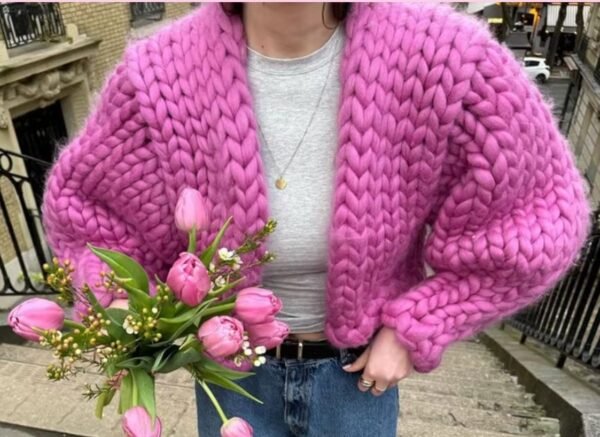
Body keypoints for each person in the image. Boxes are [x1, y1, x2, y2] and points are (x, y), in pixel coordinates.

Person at [41, 2, 591, 437]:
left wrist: (420, 324)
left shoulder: (445, 59)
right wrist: (122, 308)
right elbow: (89, 214)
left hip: (358, 381)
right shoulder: (156, 76)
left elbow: (535, 216)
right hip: (232, 379)